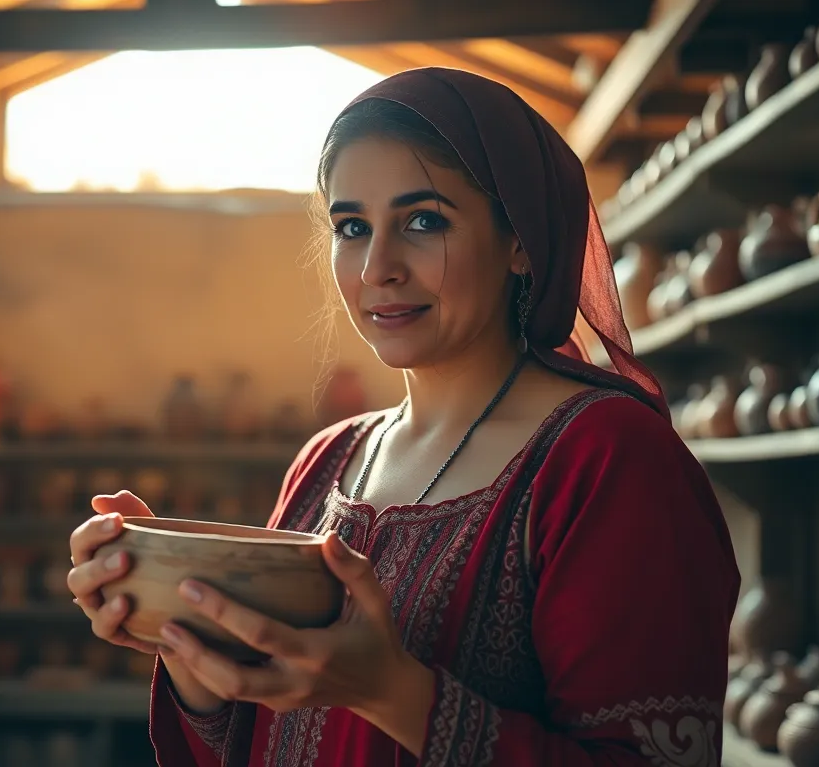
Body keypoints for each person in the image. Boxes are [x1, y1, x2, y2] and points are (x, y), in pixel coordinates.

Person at [67, 67, 740, 766]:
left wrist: (391, 692)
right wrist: (188, 634)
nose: (377, 268)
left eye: (424, 221)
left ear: (520, 239)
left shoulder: (608, 459)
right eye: (352, 228)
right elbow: (256, 739)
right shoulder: (328, 459)